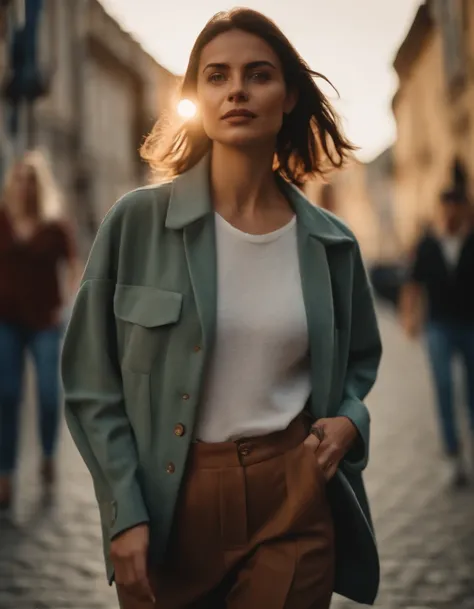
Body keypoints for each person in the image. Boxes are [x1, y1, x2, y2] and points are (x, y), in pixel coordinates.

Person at [61, 8, 382, 609]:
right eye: (217, 76)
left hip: (293, 497)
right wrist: (122, 512)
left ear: (288, 96)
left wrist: (349, 420)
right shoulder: (135, 224)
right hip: (170, 505)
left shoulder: (332, 244)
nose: (236, 88)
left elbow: (361, 359)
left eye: (258, 74)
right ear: (197, 99)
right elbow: (89, 381)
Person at [0, 150, 82, 509]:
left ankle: (48, 456)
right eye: (18, 181)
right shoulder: (1, 221)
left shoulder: (54, 225)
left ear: (39, 188)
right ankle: (5, 474)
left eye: (30, 182)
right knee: (6, 396)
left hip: (46, 321)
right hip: (5, 321)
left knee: (50, 394)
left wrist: (70, 303)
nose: (23, 188)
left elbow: (76, 265)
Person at [401, 189, 474, 488]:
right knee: (443, 386)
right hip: (438, 326)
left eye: (456, 209)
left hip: (470, 324)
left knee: (472, 392)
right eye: (446, 209)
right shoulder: (428, 243)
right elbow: (413, 282)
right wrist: (409, 316)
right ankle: (452, 455)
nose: (450, 215)